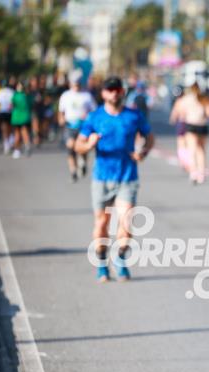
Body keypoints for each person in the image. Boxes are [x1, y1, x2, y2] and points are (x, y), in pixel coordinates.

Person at [74, 76, 154, 283]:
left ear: (123, 92)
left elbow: (149, 137)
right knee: (102, 223)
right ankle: (102, 263)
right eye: (110, 90)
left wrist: (143, 152)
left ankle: (120, 259)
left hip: (127, 176)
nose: (114, 93)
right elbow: (78, 145)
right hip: (102, 178)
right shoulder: (95, 117)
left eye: (117, 89)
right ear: (103, 93)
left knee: (126, 222)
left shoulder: (133, 116)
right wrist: (89, 144)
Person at [58, 71, 96, 182]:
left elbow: (94, 111)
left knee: (82, 148)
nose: (76, 86)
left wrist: (88, 116)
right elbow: (61, 111)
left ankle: (83, 162)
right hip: (70, 125)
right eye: (74, 84)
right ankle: (73, 171)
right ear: (70, 84)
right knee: (70, 147)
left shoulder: (87, 95)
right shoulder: (65, 95)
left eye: (78, 84)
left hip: (83, 126)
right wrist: (61, 119)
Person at [175, 82, 209, 184]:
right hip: (203, 126)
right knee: (201, 150)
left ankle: (193, 173)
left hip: (191, 125)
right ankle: (201, 174)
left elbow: (181, 112)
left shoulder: (187, 99)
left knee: (192, 150)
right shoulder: (205, 98)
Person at [10, 81, 32, 158]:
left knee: (18, 133)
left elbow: (12, 105)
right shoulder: (26, 95)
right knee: (22, 131)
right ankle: (26, 145)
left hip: (17, 117)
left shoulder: (15, 96)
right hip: (23, 116)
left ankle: (18, 150)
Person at [0, 78, 15, 155]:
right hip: (10, 112)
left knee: (4, 128)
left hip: (2, 112)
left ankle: (6, 144)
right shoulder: (12, 92)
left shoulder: (1, 92)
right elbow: (13, 103)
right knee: (11, 127)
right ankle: (10, 141)